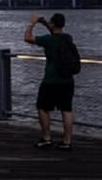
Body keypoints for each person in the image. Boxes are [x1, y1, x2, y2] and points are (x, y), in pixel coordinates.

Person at [24, 13, 75, 150]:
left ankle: (47, 138)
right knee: (66, 110)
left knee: (43, 107)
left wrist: (32, 23)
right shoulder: (68, 38)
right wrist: (46, 23)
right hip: (67, 80)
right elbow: (55, 32)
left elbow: (27, 38)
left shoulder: (48, 40)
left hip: (51, 80)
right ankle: (67, 142)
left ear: (53, 24)